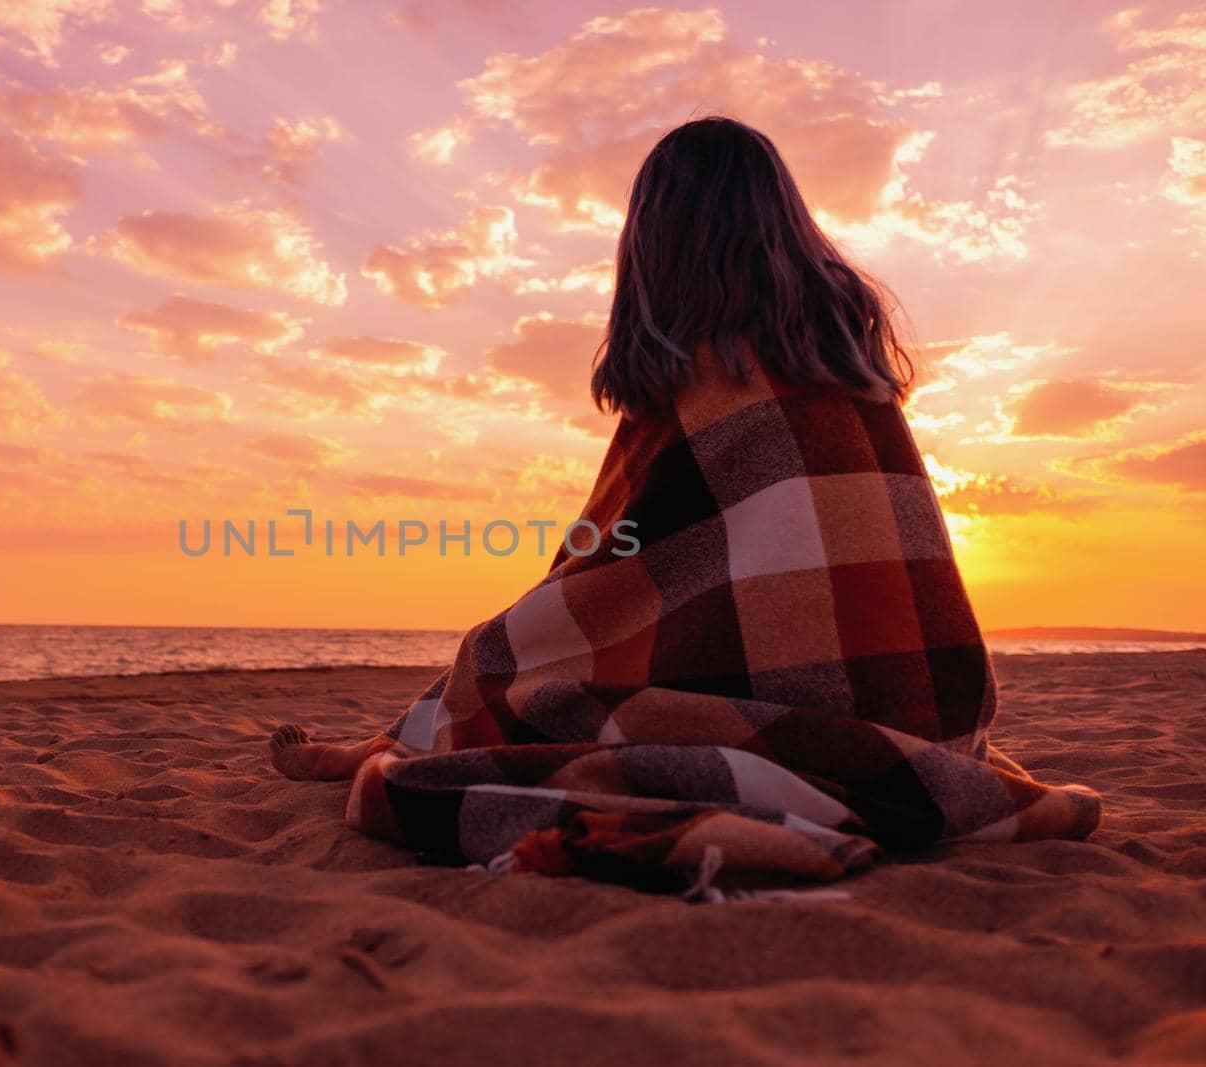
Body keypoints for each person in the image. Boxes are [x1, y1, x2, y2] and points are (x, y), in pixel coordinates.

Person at [268, 117, 1098, 886]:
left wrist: (529, 624)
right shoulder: (849, 365)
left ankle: (387, 743)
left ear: (651, 248)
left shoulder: (698, 381)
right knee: (525, 662)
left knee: (500, 661)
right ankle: (389, 735)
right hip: (933, 714)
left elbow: (604, 566)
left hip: (824, 711)